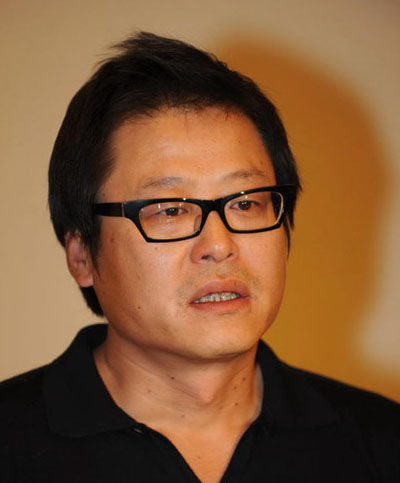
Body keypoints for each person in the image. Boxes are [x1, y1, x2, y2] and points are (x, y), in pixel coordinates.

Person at [0, 32, 399, 483]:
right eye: (170, 210)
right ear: (81, 256)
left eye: (245, 203)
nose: (219, 244)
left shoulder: (381, 444)